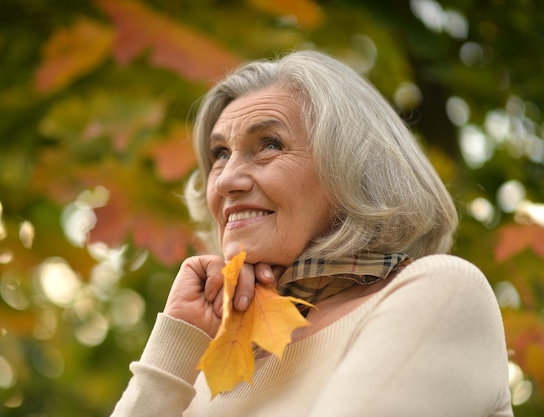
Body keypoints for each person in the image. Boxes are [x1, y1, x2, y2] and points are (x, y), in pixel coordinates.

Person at [109, 50, 513, 416]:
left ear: (354, 168)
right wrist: (172, 351)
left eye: (268, 144)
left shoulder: (438, 293)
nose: (226, 179)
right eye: (219, 154)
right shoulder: (203, 366)